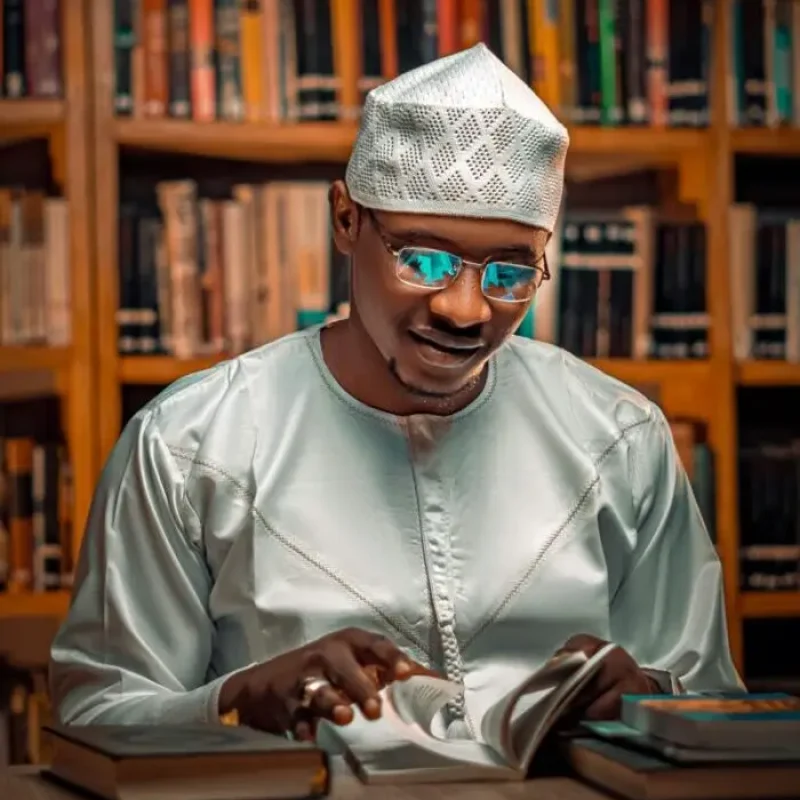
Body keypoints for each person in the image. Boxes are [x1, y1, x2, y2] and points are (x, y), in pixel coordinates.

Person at [50, 44, 741, 746]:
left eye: (510, 272)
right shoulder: (190, 444)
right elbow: (94, 717)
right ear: (346, 221)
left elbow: (714, 702)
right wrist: (235, 700)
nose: (466, 310)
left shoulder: (619, 439)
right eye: (424, 259)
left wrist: (651, 695)